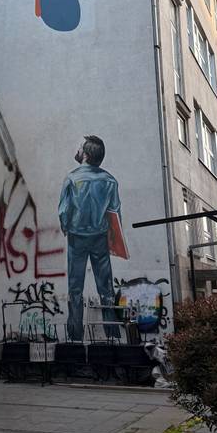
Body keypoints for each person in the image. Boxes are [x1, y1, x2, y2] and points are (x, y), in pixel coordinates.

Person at [58, 136, 123, 341]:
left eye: (79, 148)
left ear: (85, 154)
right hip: (101, 238)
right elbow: (115, 213)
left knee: (75, 288)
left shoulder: (71, 178)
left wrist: (66, 227)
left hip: (77, 238)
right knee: (106, 287)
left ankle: (75, 336)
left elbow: (63, 211)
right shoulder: (110, 180)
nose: (77, 150)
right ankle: (112, 334)